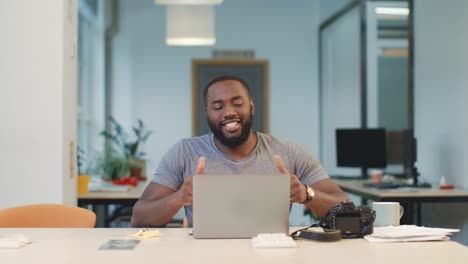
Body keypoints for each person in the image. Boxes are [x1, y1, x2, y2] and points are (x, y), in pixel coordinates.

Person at [131, 75, 349, 227]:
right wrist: (179, 198)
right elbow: (139, 219)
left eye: (237, 103)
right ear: (207, 113)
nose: (229, 112)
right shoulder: (184, 152)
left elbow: (347, 210)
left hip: (272, 253)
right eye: (218, 107)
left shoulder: (289, 151)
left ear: (251, 106)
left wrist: (306, 194)